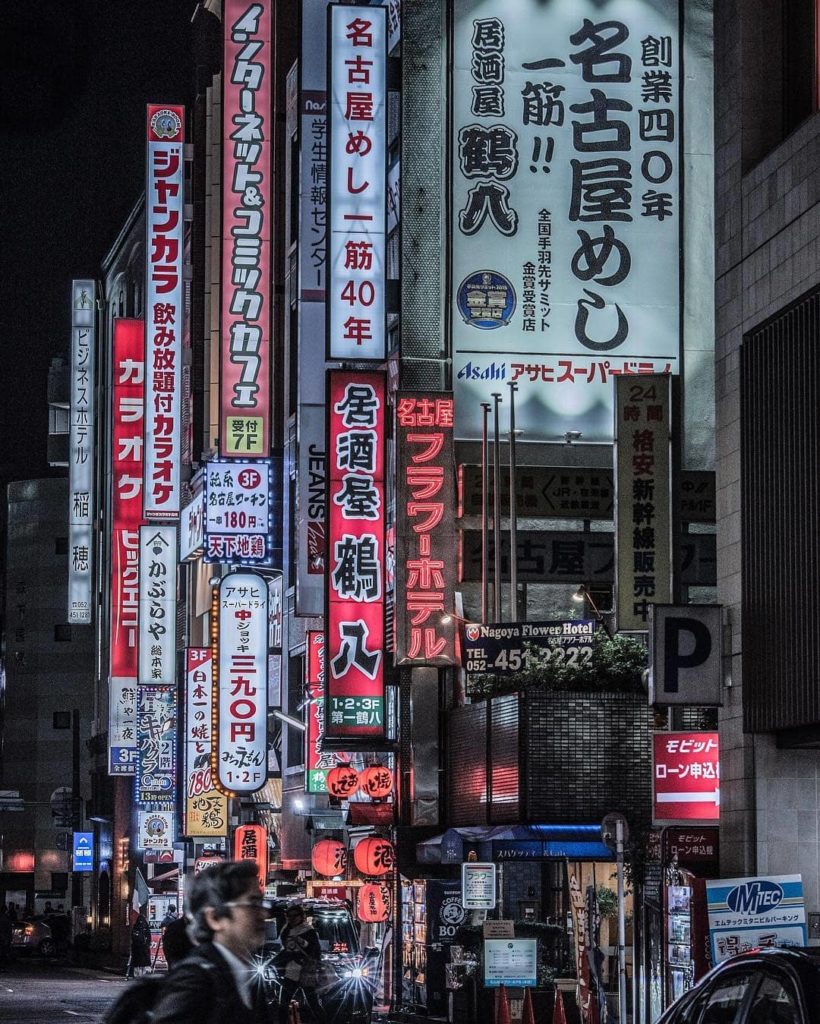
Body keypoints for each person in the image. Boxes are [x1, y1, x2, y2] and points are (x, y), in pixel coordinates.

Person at [151, 860, 271, 1023]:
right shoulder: (195, 981)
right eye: (253, 904)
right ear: (214, 918)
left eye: (262, 903)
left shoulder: (242, 975)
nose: (263, 914)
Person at [276, 903, 325, 1024]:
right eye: (289, 915)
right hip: (290, 972)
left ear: (301, 916)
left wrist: (303, 943)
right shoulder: (286, 931)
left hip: (306, 971)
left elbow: (314, 950)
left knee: (313, 1003)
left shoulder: (308, 931)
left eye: (294, 915)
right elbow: (286, 951)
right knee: (283, 1004)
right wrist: (273, 963)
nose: (291, 918)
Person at [129, 910, 152, 978]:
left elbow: (132, 937)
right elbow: (149, 936)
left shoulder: (135, 926)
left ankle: (137, 974)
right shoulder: (146, 927)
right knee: (144, 962)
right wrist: (147, 944)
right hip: (144, 947)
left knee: (137, 963)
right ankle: (144, 974)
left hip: (136, 948)